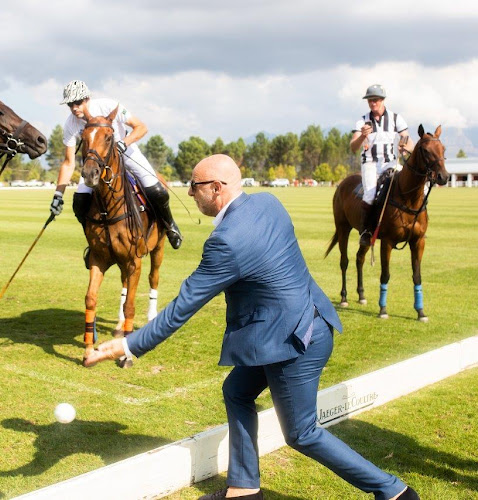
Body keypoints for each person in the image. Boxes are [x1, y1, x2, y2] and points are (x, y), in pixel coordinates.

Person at [85, 154, 419, 500]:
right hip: (299, 324)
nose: (189, 193)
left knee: (302, 433)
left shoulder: (227, 241)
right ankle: (244, 489)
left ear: (216, 189)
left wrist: (127, 345)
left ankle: (394, 492)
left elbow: (182, 307)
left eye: (195, 185)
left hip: (295, 343)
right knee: (237, 391)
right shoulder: (268, 203)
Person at [50, 80, 183, 265]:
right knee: (80, 201)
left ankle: (170, 226)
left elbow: (141, 127)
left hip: (126, 151)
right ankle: (93, 243)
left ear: (88, 99)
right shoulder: (71, 123)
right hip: (96, 163)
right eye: (70, 104)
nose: (74, 108)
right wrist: (58, 194)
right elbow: (68, 162)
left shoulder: (109, 106)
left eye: (78, 102)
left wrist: (124, 143)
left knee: (156, 190)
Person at [350, 84, 413, 246]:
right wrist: (361, 136)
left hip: (391, 163)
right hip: (370, 164)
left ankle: (416, 225)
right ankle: (365, 231)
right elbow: (353, 147)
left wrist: (404, 145)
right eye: (370, 100)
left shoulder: (396, 118)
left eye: (376, 100)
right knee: (370, 194)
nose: (373, 103)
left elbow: (407, 139)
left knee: (412, 186)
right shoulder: (362, 120)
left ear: (383, 100)